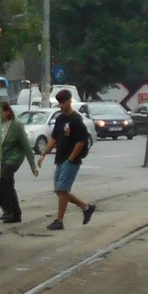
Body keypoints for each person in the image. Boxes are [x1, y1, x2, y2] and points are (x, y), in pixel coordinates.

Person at [38, 88, 96, 230]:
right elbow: (54, 138)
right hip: (60, 159)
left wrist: (71, 158)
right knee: (59, 191)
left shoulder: (76, 120)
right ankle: (86, 207)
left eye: (63, 103)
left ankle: (60, 221)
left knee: (62, 189)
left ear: (69, 101)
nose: (60, 105)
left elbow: (81, 141)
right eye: (59, 103)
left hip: (71, 160)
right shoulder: (60, 119)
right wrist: (43, 153)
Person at [0, 102, 38, 224]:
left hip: (14, 157)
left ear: (7, 112)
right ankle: (15, 213)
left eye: (0, 112)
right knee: (7, 184)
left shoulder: (16, 125)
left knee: (4, 178)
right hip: (3, 158)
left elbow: (26, 145)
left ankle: (9, 210)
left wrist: (33, 165)